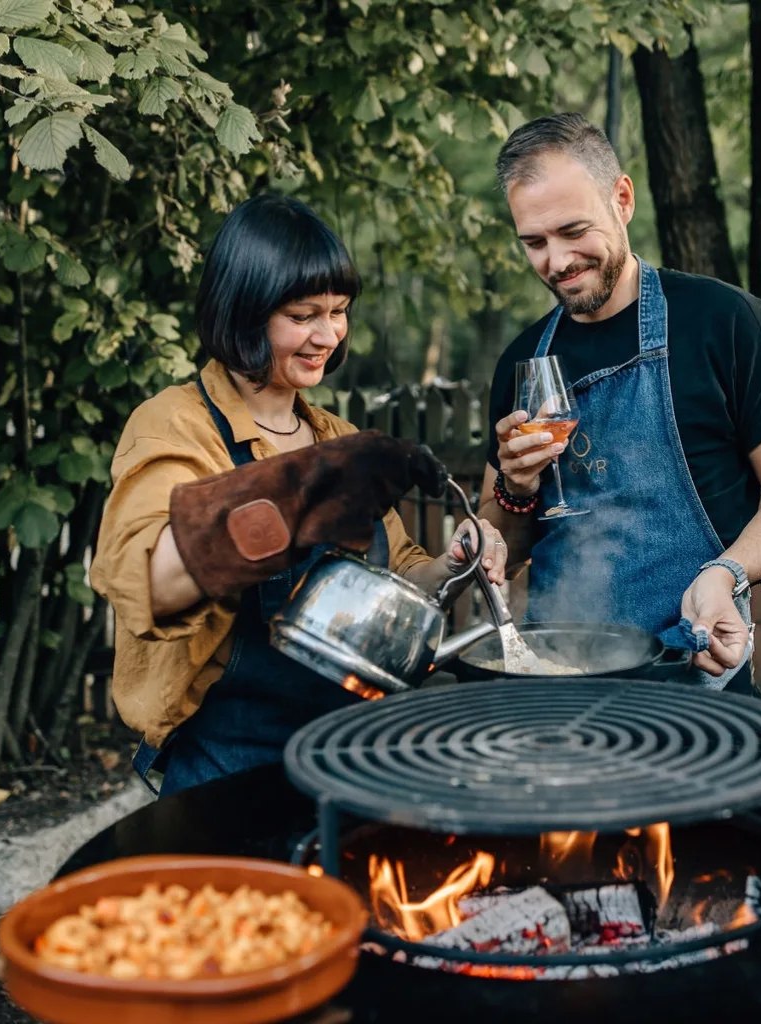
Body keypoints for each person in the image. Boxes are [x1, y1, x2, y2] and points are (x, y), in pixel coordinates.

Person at [91, 193, 508, 795]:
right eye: (303, 314)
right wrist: (303, 492)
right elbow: (152, 581)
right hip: (229, 763)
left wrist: (452, 562)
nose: (327, 334)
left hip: (347, 752)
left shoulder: (334, 436)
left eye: (338, 312)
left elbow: (398, 578)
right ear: (244, 310)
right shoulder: (175, 424)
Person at [478, 112, 761, 695]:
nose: (556, 262)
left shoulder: (724, 322)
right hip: (557, 684)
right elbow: (502, 554)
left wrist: (726, 573)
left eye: (573, 231)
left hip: (693, 677)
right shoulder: (522, 362)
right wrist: (515, 490)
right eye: (534, 242)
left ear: (622, 199)